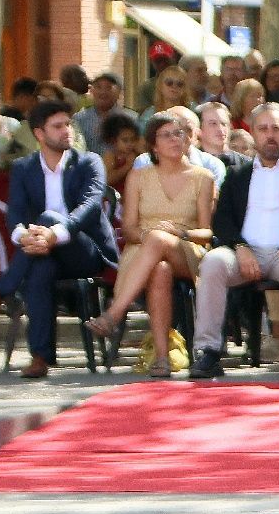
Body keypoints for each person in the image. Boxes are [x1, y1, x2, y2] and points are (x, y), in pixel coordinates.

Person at [0, 100, 119, 377]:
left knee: (47, 218)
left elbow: (90, 207)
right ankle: (40, 357)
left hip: (85, 251)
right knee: (38, 269)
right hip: (43, 251)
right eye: (57, 126)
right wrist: (24, 236)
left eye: (68, 125)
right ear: (39, 134)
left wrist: (52, 232)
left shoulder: (88, 163)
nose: (66, 131)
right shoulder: (24, 168)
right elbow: (15, 213)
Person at [189, 102, 279, 382]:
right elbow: (223, 219)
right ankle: (208, 350)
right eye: (263, 129)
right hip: (244, 253)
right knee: (214, 262)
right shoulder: (239, 174)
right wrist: (239, 247)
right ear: (252, 133)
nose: (270, 135)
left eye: (276, 128)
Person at [85, 113, 214, 375]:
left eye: (178, 133)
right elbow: (130, 228)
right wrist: (149, 236)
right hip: (145, 249)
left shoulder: (203, 177)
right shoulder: (138, 177)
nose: (174, 139)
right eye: (165, 135)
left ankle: (114, 314)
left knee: (158, 241)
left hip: (188, 250)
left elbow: (206, 232)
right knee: (160, 270)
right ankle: (162, 358)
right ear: (153, 146)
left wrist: (180, 233)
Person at [73, 72, 136, 158]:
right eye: (98, 87)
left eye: (108, 87)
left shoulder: (132, 118)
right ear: (91, 91)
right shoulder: (79, 119)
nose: (103, 92)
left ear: (120, 92)